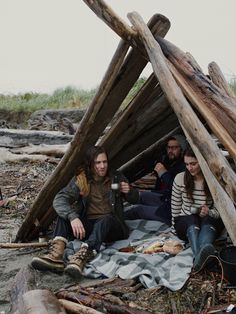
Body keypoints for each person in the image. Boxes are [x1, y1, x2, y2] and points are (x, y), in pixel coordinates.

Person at [31, 145, 139, 276]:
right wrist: (73, 217)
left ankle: (83, 256)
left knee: (106, 219)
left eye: (104, 162)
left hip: (113, 226)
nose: (102, 166)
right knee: (64, 216)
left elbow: (135, 199)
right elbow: (60, 199)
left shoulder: (115, 177)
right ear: (90, 164)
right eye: (98, 163)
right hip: (91, 226)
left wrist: (129, 192)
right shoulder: (82, 180)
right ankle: (56, 256)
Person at [171, 147, 224, 272]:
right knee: (192, 220)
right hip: (186, 223)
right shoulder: (180, 178)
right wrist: (173, 230)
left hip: (207, 221)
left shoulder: (213, 180)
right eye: (187, 164)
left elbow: (220, 212)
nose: (190, 168)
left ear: (202, 161)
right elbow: (175, 208)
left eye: (193, 164)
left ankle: (198, 260)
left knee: (207, 221)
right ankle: (203, 255)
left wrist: (209, 212)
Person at [124, 134, 187, 225]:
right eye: (169, 147)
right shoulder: (169, 162)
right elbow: (163, 188)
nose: (170, 151)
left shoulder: (184, 166)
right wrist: (151, 192)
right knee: (141, 196)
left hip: (171, 209)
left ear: (182, 149)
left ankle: (116, 222)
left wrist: (164, 174)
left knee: (138, 210)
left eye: (174, 148)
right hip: (165, 198)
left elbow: (177, 189)